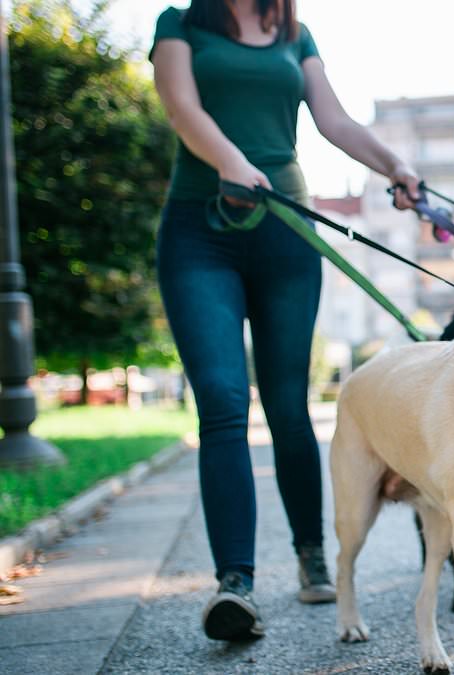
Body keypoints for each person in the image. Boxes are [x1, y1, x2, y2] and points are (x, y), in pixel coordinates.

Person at [149, 0, 420, 641]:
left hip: (287, 230)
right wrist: (230, 161)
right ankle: (235, 584)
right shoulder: (178, 25)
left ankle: (310, 554)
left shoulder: (294, 34)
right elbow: (182, 107)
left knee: (288, 406)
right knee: (219, 400)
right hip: (200, 229)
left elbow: (333, 120)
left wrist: (395, 166)